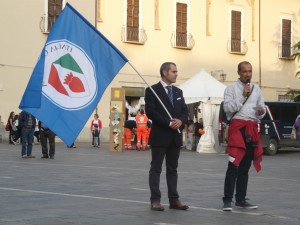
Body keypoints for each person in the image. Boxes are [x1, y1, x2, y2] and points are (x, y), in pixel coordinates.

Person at [222, 61, 266, 211]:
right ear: (239, 72)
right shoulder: (230, 89)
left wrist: (261, 112)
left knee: (245, 166)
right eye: (245, 71)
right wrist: (242, 96)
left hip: (251, 128)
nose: (248, 74)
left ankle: (240, 199)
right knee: (233, 165)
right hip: (237, 129)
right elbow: (228, 108)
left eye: (250, 71)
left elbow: (262, 108)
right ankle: (227, 200)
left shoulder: (256, 89)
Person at [145, 62, 189, 211]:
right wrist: (168, 123)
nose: (177, 74)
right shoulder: (152, 90)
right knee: (156, 169)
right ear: (165, 72)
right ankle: (155, 200)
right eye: (174, 71)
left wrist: (180, 121)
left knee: (173, 169)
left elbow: (184, 111)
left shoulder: (178, 92)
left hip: (175, 138)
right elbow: (151, 112)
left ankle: (174, 200)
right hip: (160, 136)